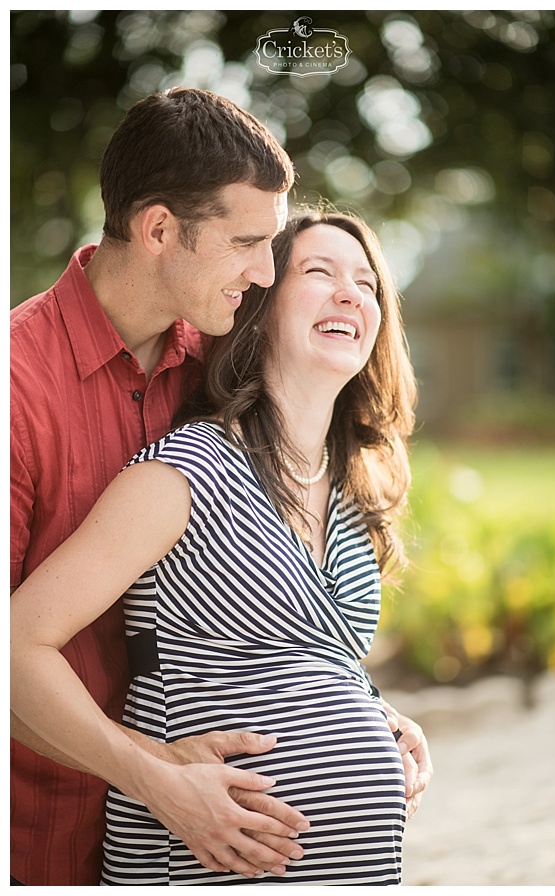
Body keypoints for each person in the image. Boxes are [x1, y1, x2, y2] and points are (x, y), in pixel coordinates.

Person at [10, 87, 429, 885]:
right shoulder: (17, 389)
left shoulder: (215, 354)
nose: (264, 274)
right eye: (249, 244)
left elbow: (268, 623)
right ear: (160, 229)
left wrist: (363, 713)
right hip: (43, 825)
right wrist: (157, 773)